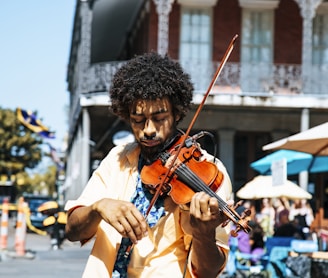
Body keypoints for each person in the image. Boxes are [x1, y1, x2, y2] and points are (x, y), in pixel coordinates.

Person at [64, 52, 233, 278]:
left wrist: (204, 235)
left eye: (160, 118)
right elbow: (72, 230)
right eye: (138, 120)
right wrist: (98, 208)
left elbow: (209, 271)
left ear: (176, 113)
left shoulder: (209, 171)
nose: (149, 129)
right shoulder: (117, 160)